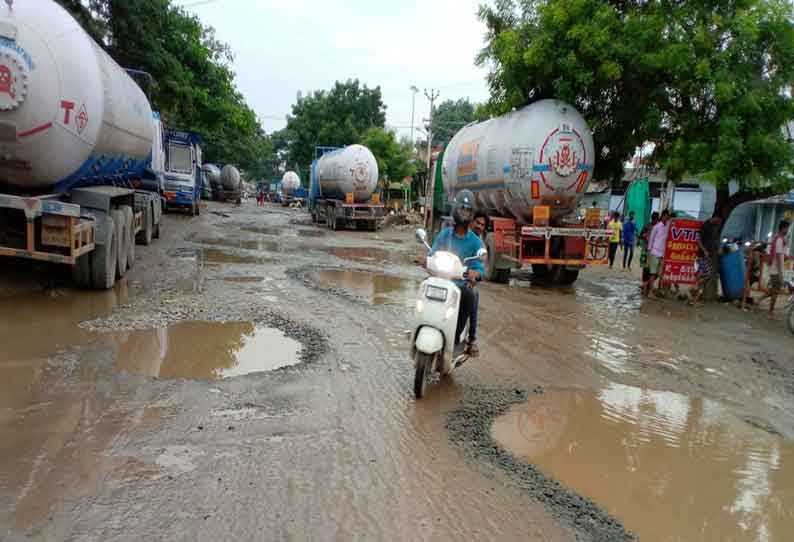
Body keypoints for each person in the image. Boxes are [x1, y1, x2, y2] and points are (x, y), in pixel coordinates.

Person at [430, 190, 485, 356]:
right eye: (462, 209)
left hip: (460, 285)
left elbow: (480, 266)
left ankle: (457, 337)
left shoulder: (475, 242)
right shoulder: (445, 234)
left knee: (471, 294)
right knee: (425, 286)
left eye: (468, 210)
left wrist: (476, 273)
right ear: (455, 209)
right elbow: (432, 253)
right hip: (441, 280)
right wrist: (425, 259)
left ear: (472, 214)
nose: (464, 213)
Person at [690, 214, 722, 305]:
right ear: (716, 217)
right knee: (706, 275)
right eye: (719, 220)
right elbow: (698, 239)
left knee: (704, 275)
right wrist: (704, 251)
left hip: (706, 256)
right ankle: (694, 289)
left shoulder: (712, 226)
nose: (719, 223)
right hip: (702, 256)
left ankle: (694, 299)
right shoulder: (705, 226)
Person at [764, 220, 790, 319]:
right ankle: (770, 312)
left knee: (774, 290)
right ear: (783, 228)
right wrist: (780, 273)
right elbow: (778, 256)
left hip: (775, 268)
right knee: (775, 291)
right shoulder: (779, 239)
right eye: (787, 228)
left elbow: (784, 256)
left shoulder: (779, 239)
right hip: (776, 269)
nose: (787, 230)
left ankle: (761, 300)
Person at [643, 209, 670, 296]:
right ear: (662, 217)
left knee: (659, 273)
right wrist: (649, 253)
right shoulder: (656, 227)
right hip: (654, 252)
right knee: (653, 273)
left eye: (667, 217)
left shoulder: (667, 227)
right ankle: (650, 292)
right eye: (665, 217)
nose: (666, 219)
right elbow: (651, 240)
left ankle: (646, 284)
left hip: (662, 253)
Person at [639, 212, 659, 284]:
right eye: (653, 219)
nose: (654, 221)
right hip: (645, 249)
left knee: (654, 269)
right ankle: (644, 283)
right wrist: (644, 235)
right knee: (645, 268)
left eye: (655, 219)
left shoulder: (659, 227)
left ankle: (648, 283)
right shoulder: (647, 226)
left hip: (655, 251)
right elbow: (640, 235)